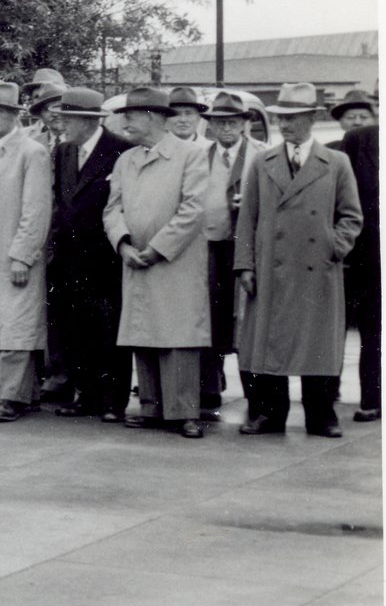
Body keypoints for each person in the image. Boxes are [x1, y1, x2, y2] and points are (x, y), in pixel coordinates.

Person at [236, 83, 366, 438]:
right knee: (269, 342)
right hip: (271, 269)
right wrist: (245, 264)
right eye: (281, 118)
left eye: (293, 118)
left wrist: (333, 247)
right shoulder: (263, 162)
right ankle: (268, 415)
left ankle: (321, 416)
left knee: (318, 345)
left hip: (317, 269)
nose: (285, 125)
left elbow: (351, 216)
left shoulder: (336, 162)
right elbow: (248, 217)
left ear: (311, 118)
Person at [102, 86, 210, 439]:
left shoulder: (191, 155)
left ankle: (184, 412)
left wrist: (158, 248)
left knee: (178, 335)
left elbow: (193, 209)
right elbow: (112, 208)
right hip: (135, 260)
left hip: (174, 262)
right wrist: (123, 244)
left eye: (129, 115)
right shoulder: (125, 160)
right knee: (143, 331)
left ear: (151, 116)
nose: (124, 122)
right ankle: (151, 407)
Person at [0, 82, 53, 423]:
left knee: (17, 326)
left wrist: (23, 254)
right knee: (0, 324)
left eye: (0, 112)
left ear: (14, 115)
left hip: (17, 256)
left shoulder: (31, 152)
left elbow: (36, 209)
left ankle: (12, 396)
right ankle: (24, 393)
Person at [47, 88, 131, 422]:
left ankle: (113, 401)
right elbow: (59, 202)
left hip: (104, 258)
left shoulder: (120, 150)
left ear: (86, 120)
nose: (61, 124)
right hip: (69, 258)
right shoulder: (63, 152)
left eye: (67, 118)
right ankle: (86, 394)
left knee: (108, 330)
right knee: (75, 328)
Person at [196, 91, 260, 420]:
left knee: (247, 319)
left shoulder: (261, 156)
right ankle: (208, 390)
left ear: (244, 125)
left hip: (246, 247)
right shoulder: (199, 156)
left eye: (233, 122)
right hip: (207, 246)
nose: (226, 129)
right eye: (219, 123)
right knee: (208, 316)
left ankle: (255, 395)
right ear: (210, 126)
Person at [331, 121, 380, 422]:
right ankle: (364, 398)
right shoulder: (358, 139)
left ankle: (374, 398)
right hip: (360, 254)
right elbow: (340, 196)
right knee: (357, 329)